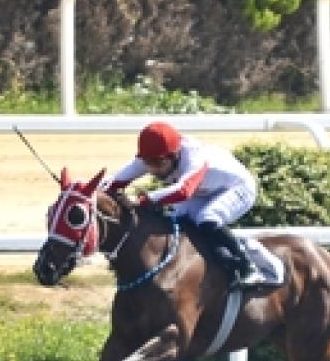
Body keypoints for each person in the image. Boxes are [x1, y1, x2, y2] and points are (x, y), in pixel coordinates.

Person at [106, 121, 265, 291]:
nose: (153, 169)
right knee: (177, 221)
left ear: (174, 155)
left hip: (237, 187)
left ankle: (248, 266)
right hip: (203, 191)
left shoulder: (194, 157)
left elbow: (184, 191)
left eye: (158, 163)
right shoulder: (156, 155)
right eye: (147, 163)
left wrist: (143, 200)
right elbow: (115, 182)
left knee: (207, 218)